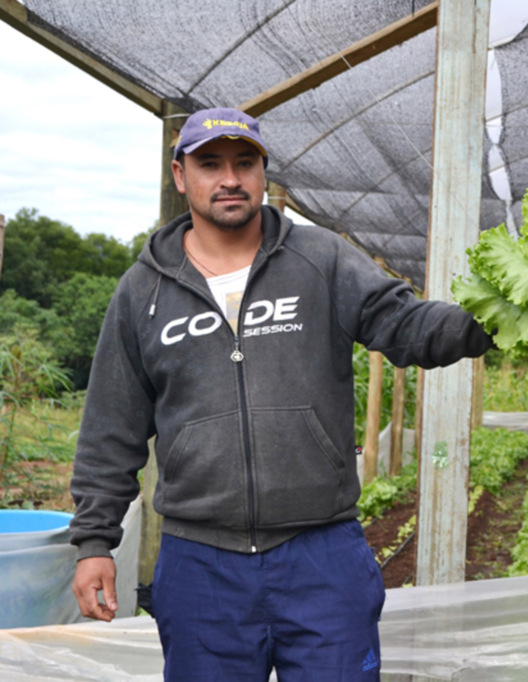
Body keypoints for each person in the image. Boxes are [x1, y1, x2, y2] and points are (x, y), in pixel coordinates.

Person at [69, 107, 492, 680]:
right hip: (201, 563)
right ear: (180, 175)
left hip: (320, 553)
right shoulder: (143, 290)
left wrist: (494, 319)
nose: (230, 178)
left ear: (263, 172)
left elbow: (406, 324)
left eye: (245, 163)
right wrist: (95, 542)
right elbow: (109, 428)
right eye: (210, 164)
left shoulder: (319, 258)